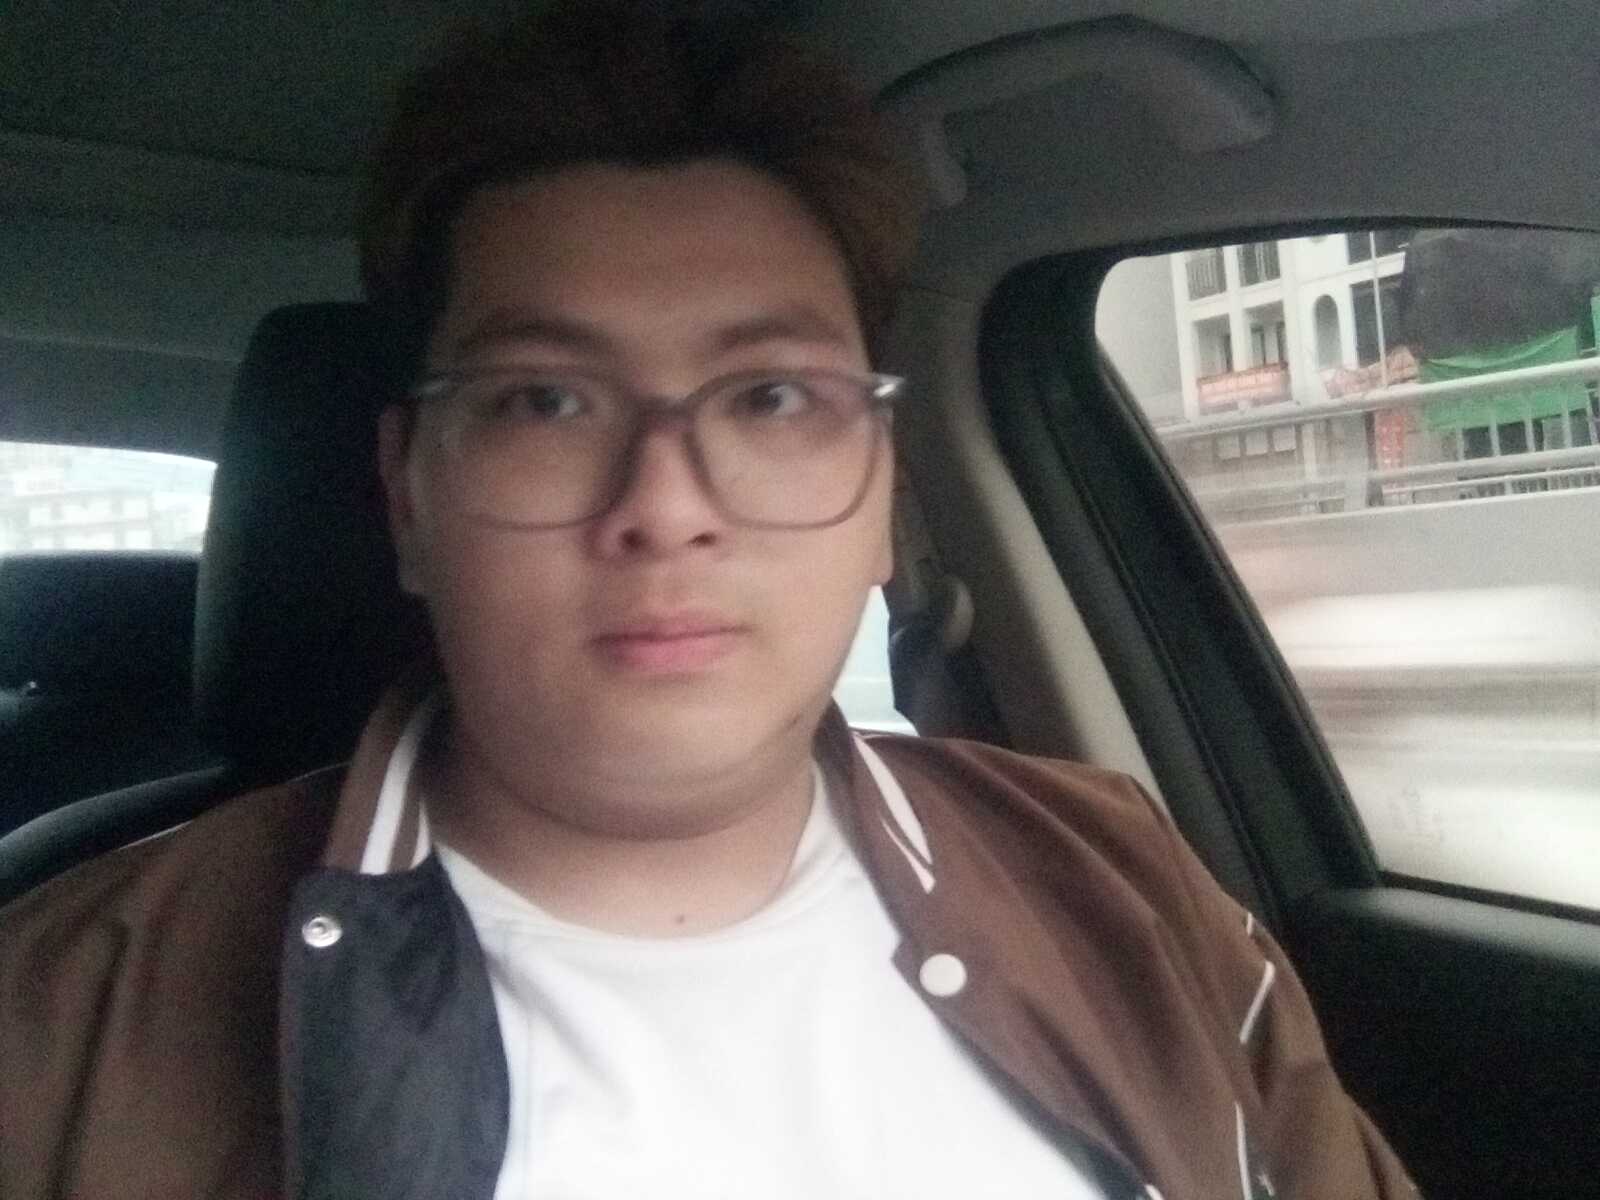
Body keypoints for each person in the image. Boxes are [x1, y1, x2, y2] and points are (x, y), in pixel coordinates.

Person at [0, 4, 1418, 1198]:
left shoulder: (1123, 888)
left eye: (773, 397)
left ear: (885, 492)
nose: (667, 503)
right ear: (409, 498)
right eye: (544, 400)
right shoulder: (64, 1030)